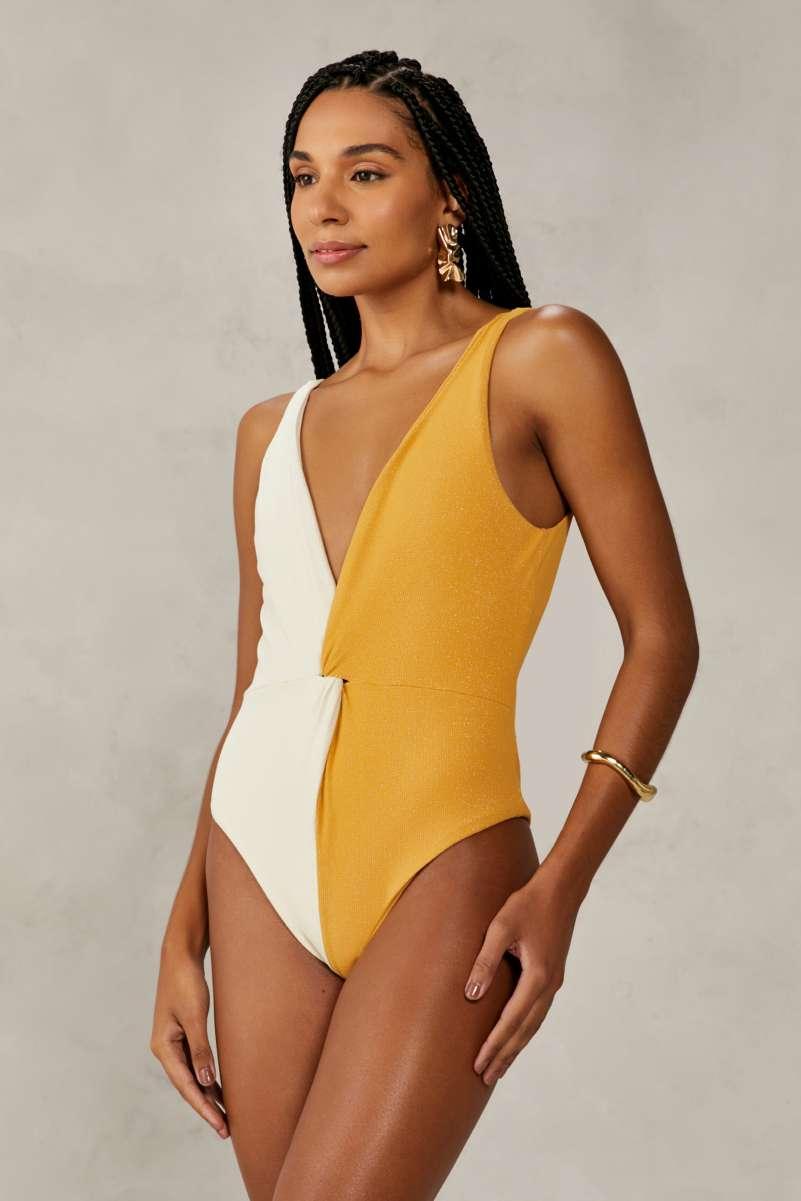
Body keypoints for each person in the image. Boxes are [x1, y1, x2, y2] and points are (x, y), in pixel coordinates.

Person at [150, 49, 699, 1200]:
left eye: (365, 171)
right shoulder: (268, 432)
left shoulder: (542, 358)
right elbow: (257, 687)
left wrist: (562, 885)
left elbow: (662, 638)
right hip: (254, 863)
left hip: (441, 856)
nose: (324, 206)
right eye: (303, 177)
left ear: (448, 192)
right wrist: (180, 933)